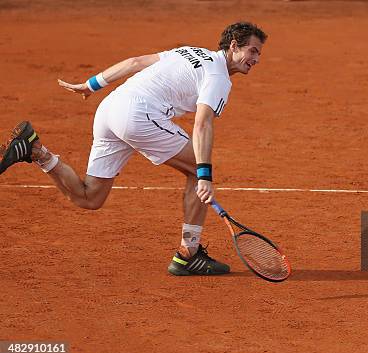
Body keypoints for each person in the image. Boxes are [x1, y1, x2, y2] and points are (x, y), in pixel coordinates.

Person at [0, 22, 267, 276]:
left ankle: (37, 151)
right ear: (233, 45)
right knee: (197, 169)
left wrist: (92, 84)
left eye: (258, 53)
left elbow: (135, 63)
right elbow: (202, 124)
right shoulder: (219, 77)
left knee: (89, 198)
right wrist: (205, 176)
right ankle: (189, 253)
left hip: (109, 108)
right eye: (252, 51)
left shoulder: (189, 51)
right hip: (138, 116)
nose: (255, 59)